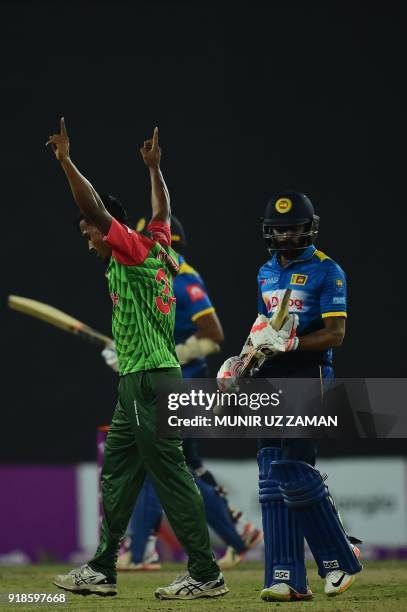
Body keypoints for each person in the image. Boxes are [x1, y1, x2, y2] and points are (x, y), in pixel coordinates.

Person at [46, 118, 228, 600]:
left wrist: (66, 162)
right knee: (118, 474)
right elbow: (163, 211)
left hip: (151, 380)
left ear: (111, 230)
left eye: (90, 233)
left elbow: (95, 207)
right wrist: (155, 169)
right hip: (136, 379)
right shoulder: (159, 244)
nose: (88, 241)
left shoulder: (129, 249)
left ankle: (206, 573)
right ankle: (104, 568)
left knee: (170, 474)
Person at [217, 191, 362, 601]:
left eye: (292, 228)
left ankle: (340, 559)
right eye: (278, 229)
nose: (284, 235)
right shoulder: (265, 272)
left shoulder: (327, 271)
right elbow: (265, 328)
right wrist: (240, 362)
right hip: (270, 377)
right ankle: (285, 577)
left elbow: (336, 334)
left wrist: (292, 344)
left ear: (308, 227)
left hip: (309, 374)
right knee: (270, 471)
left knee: (293, 468)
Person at [102, 216, 262, 570]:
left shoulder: (183, 277)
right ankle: (236, 532)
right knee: (181, 466)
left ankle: (143, 550)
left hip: (184, 384)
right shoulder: (156, 274)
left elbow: (214, 334)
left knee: (161, 464)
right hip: (168, 381)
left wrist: (165, 355)